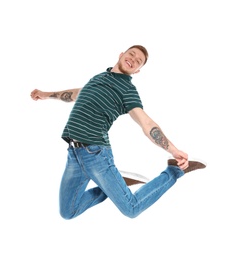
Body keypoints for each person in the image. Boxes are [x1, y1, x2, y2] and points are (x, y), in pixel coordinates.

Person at [30, 45, 206, 219]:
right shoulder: (100, 77)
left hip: (96, 155)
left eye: (138, 61)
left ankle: (173, 172)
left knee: (131, 209)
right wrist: (46, 94)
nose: (133, 60)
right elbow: (78, 93)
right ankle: (116, 183)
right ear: (122, 54)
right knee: (68, 212)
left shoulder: (127, 90)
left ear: (137, 71)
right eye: (132, 54)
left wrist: (173, 150)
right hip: (74, 154)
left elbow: (146, 122)